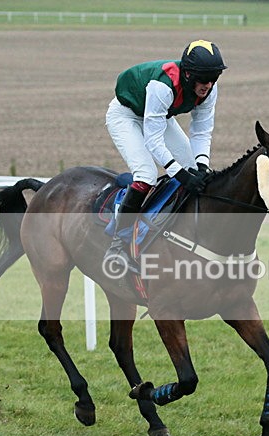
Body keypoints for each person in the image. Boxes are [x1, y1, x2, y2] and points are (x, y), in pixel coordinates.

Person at [103, 39, 227, 269]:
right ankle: (118, 245)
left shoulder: (210, 89)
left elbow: (202, 131)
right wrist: (179, 174)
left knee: (194, 171)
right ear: (188, 75)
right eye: (203, 78)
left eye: (213, 78)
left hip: (160, 115)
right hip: (126, 115)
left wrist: (200, 166)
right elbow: (153, 140)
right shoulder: (163, 85)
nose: (207, 85)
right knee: (146, 174)